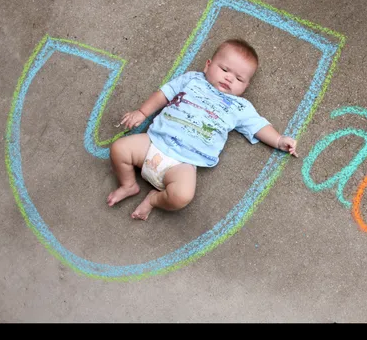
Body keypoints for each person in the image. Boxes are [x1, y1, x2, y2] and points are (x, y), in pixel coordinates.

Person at [107, 38, 298, 221]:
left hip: (183, 163)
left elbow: (258, 126)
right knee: (119, 148)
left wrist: (279, 140)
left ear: (246, 87)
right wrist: (142, 112)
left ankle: (153, 199)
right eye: (224, 69)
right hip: (154, 142)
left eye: (239, 79)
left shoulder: (239, 107)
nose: (229, 78)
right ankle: (128, 184)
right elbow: (164, 93)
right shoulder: (192, 80)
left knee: (181, 196)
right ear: (208, 65)